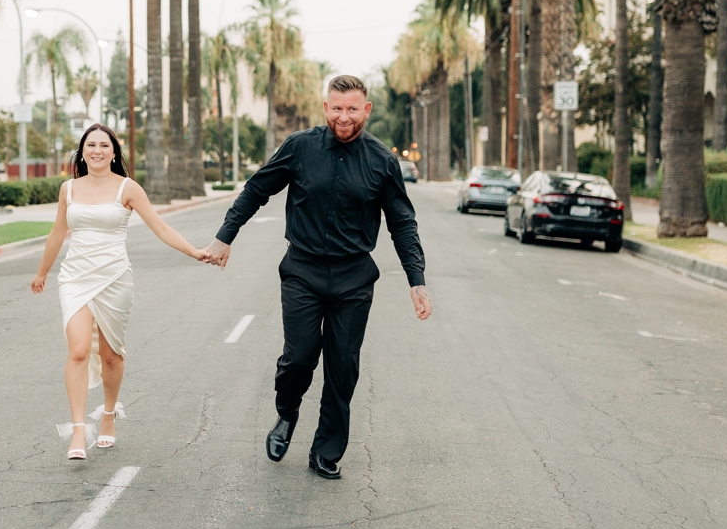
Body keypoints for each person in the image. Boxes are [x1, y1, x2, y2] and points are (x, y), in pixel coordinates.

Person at [200, 75, 431, 480]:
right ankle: (286, 415)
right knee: (300, 358)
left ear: (366, 109)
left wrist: (417, 280)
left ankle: (326, 450)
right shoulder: (300, 147)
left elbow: (402, 223)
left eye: (352, 109)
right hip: (303, 270)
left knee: (343, 366)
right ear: (325, 108)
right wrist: (225, 237)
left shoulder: (382, 160)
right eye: (336, 108)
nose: (344, 117)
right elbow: (257, 189)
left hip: (354, 276)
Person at [32, 124, 217, 460]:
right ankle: (77, 430)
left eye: (105, 145)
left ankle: (108, 414)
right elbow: (57, 235)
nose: (98, 150)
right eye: (91, 145)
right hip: (74, 277)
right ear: (82, 152)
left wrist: (195, 252)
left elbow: (160, 227)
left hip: (114, 278)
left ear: (114, 152)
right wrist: (42, 273)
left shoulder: (128, 189)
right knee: (76, 351)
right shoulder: (68, 189)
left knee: (110, 356)